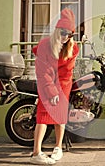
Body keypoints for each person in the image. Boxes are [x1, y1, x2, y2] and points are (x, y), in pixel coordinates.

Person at [30, 8, 79, 165]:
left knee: (59, 115)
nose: (66, 37)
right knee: (43, 115)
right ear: (57, 30)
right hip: (46, 82)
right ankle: (36, 153)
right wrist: (51, 91)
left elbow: (66, 73)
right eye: (63, 32)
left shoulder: (72, 48)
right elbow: (42, 72)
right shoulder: (45, 45)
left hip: (63, 83)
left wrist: (58, 92)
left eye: (70, 34)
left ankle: (58, 148)